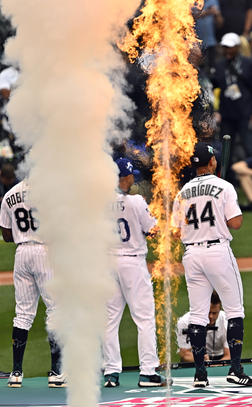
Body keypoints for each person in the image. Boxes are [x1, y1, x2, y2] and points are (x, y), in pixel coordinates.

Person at [171, 142, 252, 387]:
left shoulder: (182, 192)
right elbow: (237, 223)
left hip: (192, 255)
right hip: (217, 251)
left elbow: (177, 232)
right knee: (235, 310)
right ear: (212, 162)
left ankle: (200, 374)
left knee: (197, 315)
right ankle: (235, 370)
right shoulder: (225, 186)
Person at [101, 158, 170, 388]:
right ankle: (148, 372)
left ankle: (110, 373)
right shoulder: (137, 201)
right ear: (126, 178)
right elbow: (152, 231)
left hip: (109, 264)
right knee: (144, 318)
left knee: (110, 320)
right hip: (132, 264)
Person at [0, 180, 66, 388]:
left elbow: (7, 234)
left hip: (21, 254)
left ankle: (16, 373)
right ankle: (56, 373)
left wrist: (23, 235)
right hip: (44, 251)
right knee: (55, 309)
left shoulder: (10, 194)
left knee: (23, 313)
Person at [211, 33, 252, 160]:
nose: (227, 50)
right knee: (226, 149)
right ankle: (227, 176)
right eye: (225, 47)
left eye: (230, 47)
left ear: (238, 47)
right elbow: (213, 86)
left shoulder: (249, 64)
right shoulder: (219, 65)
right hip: (226, 115)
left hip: (245, 113)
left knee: (249, 146)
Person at [176, 291, 231, 362]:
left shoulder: (227, 322)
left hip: (219, 358)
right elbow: (185, 354)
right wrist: (202, 361)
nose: (211, 316)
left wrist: (211, 366)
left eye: (215, 313)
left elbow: (229, 356)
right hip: (193, 357)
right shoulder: (185, 321)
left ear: (220, 309)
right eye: (207, 312)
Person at [193, 0, 224, 74]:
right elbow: (189, 16)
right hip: (195, 45)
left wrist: (217, 15)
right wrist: (207, 13)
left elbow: (220, 23)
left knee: (211, 70)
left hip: (210, 42)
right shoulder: (188, 0)